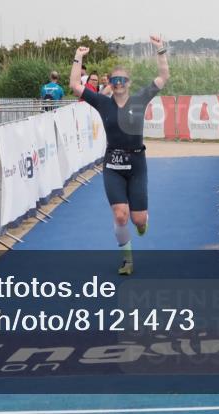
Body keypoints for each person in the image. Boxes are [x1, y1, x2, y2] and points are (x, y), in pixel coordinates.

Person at [71, 35, 170, 276]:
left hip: (137, 163)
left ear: (129, 82)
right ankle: (127, 259)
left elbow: (163, 77)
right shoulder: (102, 103)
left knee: (138, 220)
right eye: (114, 80)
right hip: (113, 164)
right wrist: (78, 57)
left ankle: (142, 222)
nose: (118, 83)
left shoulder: (140, 99)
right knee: (120, 214)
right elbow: (75, 85)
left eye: (122, 80)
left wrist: (160, 50)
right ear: (110, 83)